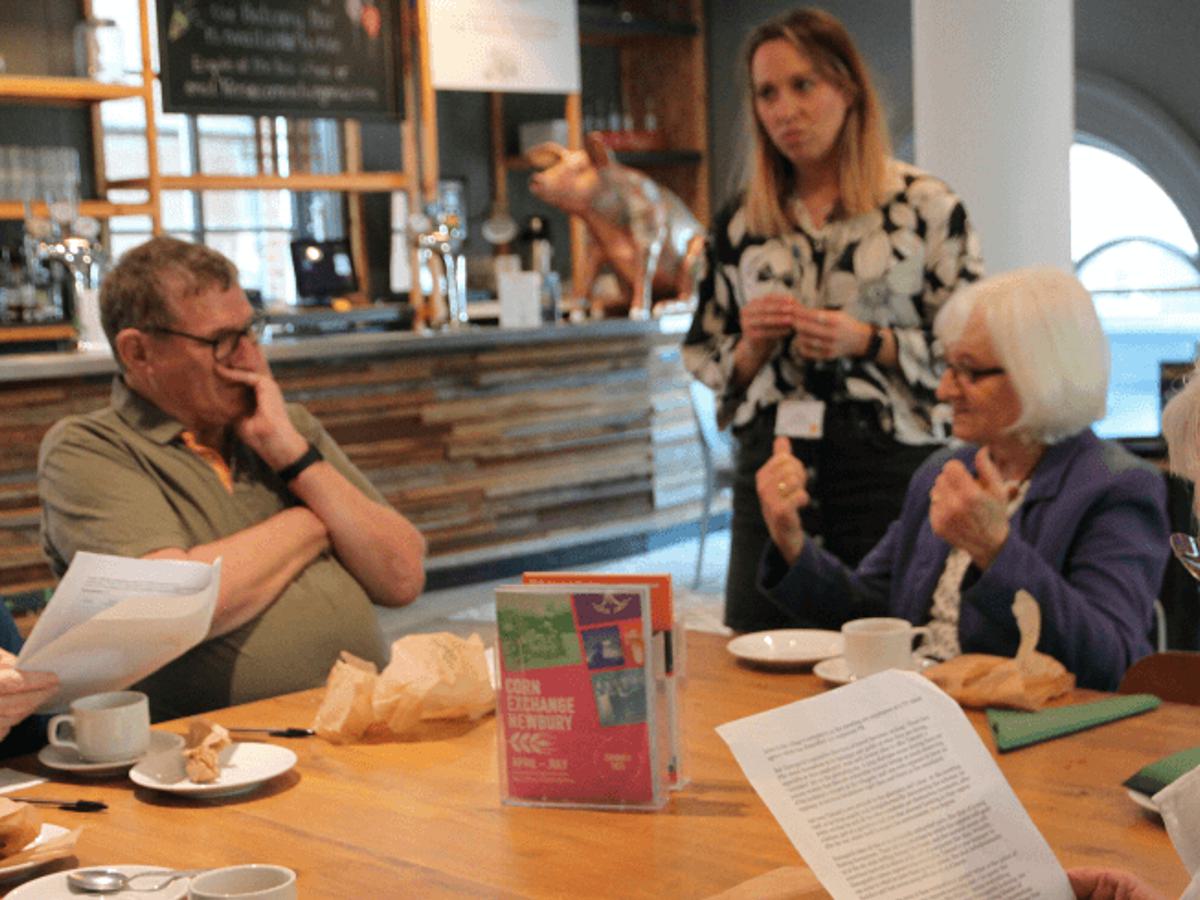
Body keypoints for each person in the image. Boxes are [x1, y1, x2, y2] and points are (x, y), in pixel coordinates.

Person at [683, 7, 983, 633]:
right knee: (759, 655)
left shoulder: (925, 208)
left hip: (887, 465)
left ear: (847, 89)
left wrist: (870, 341)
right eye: (767, 93)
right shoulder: (739, 222)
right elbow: (705, 354)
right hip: (775, 466)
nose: (784, 110)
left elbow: (969, 350)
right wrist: (751, 349)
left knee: (878, 650)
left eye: (803, 85)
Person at [38, 237, 426, 720]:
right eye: (221, 341)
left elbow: (402, 577)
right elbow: (168, 609)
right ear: (139, 353)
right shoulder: (90, 447)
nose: (249, 359)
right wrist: (309, 523)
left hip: (364, 721)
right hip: (206, 756)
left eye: (251, 332)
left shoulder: (284, 429)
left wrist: (293, 457)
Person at [755, 267, 1167, 690]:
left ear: (1040, 375)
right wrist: (792, 543)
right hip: (919, 712)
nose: (944, 390)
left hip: (1023, 732)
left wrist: (997, 551)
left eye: (968, 371)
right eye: (946, 366)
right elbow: (872, 614)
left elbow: (1111, 664)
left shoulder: (1116, 489)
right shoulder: (944, 471)